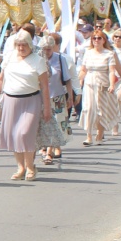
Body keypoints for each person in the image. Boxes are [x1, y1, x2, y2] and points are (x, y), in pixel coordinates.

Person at [0, 30, 52, 181]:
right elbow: (1, 79)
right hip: (10, 100)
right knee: (14, 134)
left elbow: (45, 86)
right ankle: (20, 167)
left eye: (24, 45)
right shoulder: (10, 57)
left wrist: (47, 108)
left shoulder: (38, 60)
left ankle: (30, 167)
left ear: (30, 45)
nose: (21, 48)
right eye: (18, 45)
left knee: (25, 133)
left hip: (31, 100)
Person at [78, 29, 121, 145]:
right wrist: (79, 82)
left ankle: (99, 135)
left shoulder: (109, 53)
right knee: (89, 109)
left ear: (104, 40)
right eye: (94, 38)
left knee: (101, 110)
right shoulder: (88, 52)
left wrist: (112, 84)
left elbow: (112, 71)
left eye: (99, 38)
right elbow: (83, 70)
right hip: (89, 83)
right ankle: (88, 136)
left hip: (103, 84)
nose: (96, 40)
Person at [36, 35, 73, 164]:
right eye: (44, 49)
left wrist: (70, 96)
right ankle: (45, 147)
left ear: (53, 47)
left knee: (56, 123)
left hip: (57, 96)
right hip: (40, 96)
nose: (46, 52)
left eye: (49, 49)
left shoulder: (60, 59)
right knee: (43, 123)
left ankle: (49, 152)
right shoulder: (37, 59)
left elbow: (67, 79)